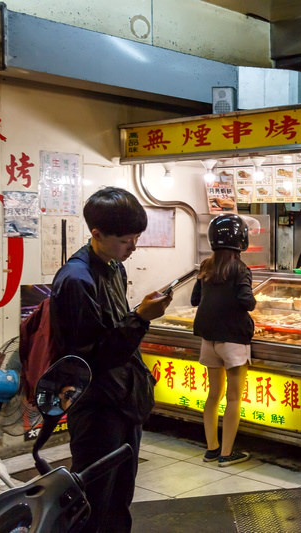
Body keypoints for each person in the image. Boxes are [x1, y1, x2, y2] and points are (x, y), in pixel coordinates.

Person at [50, 187, 172, 533]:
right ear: (97, 234)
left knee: (120, 495)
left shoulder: (113, 266)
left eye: (136, 238)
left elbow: (112, 330)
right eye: (125, 240)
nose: (133, 247)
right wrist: (142, 318)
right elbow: (92, 356)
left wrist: (137, 314)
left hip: (122, 401)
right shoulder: (77, 280)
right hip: (97, 406)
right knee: (94, 500)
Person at [191, 214, 256, 467]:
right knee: (234, 397)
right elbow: (246, 301)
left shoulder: (206, 266)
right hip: (233, 340)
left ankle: (211, 449)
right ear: (242, 240)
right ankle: (227, 454)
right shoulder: (240, 268)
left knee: (213, 395)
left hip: (209, 339)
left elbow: (196, 300)